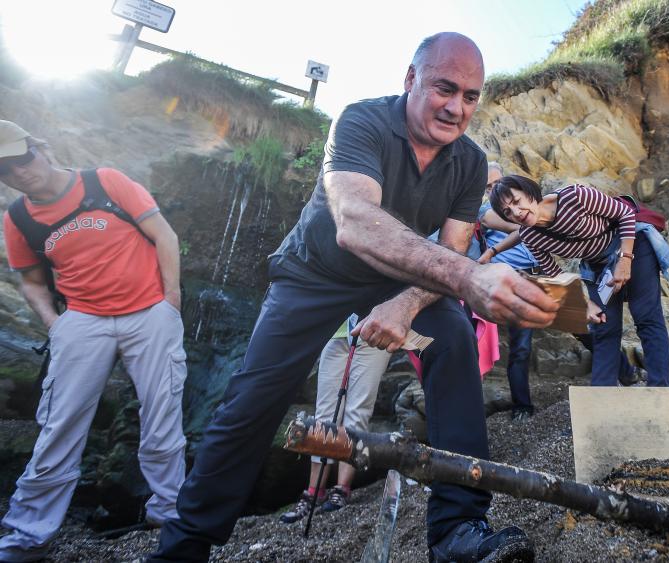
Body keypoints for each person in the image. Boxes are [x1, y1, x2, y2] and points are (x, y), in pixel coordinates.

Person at [150, 33, 559, 563]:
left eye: (471, 96)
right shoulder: (361, 121)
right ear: (411, 79)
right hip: (315, 271)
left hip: (398, 277)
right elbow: (356, 224)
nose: (457, 107)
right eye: (444, 88)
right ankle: (186, 542)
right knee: (252, 395)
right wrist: (466, 277)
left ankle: (457, 528)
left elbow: (454, 248)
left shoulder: (470, 162)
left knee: (454, 337)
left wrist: (406, 305)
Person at [0, 120, 187, 562]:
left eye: (23, 158)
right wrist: (54, 323)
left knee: (162, 414)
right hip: (82, 321)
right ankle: (27, 533)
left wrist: (171, 301)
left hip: (150, 312)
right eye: (6, 169)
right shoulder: (18, 218)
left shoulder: (105, 181)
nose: (21, 172)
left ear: (39, 148)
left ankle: (170, 511)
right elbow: (30, 280)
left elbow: (165, 235)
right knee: (59, 425)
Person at [484, 174, 669, 387]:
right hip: (598, 266)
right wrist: (584, 304)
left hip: (633, 246)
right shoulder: (531, 236)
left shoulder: (575, 197)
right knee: (603, 327)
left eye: (517, 202)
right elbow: (555, 273)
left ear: (529, 193)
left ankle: (660, 389)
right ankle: (602, 398)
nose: (516, 212)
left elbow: (625, 214)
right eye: (508, 212)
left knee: (646, 317)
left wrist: (625, 260)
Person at [280, 315, 391, 523]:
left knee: (358, 411)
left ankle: (342, 489)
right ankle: (314, 492)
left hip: (375, 330)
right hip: (337, 331)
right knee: (324, 416)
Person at [478, 162, 539, 419]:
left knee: (583, 325)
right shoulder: (486, 210)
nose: (494, 190)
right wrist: (533, 222)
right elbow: (516, 228)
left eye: (497, 184)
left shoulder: (522, 206)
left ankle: (625, 372)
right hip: (515, 281)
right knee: (521, 346)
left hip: (542, 275)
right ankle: (522, 406)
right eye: (488, 187)